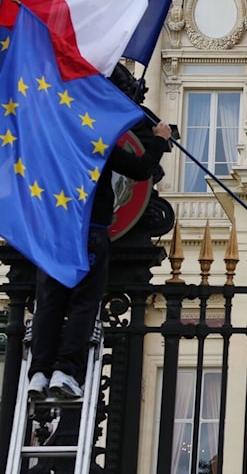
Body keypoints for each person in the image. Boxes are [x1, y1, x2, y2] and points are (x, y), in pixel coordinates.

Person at [27, 118, 173, 400]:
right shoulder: (92, 143)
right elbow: (141, 170)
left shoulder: (44, 141)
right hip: (88, 230)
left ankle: (39, 373)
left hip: (53, 233)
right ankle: (66, 370)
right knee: (84, 300)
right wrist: (159, 139)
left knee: (48, 302)